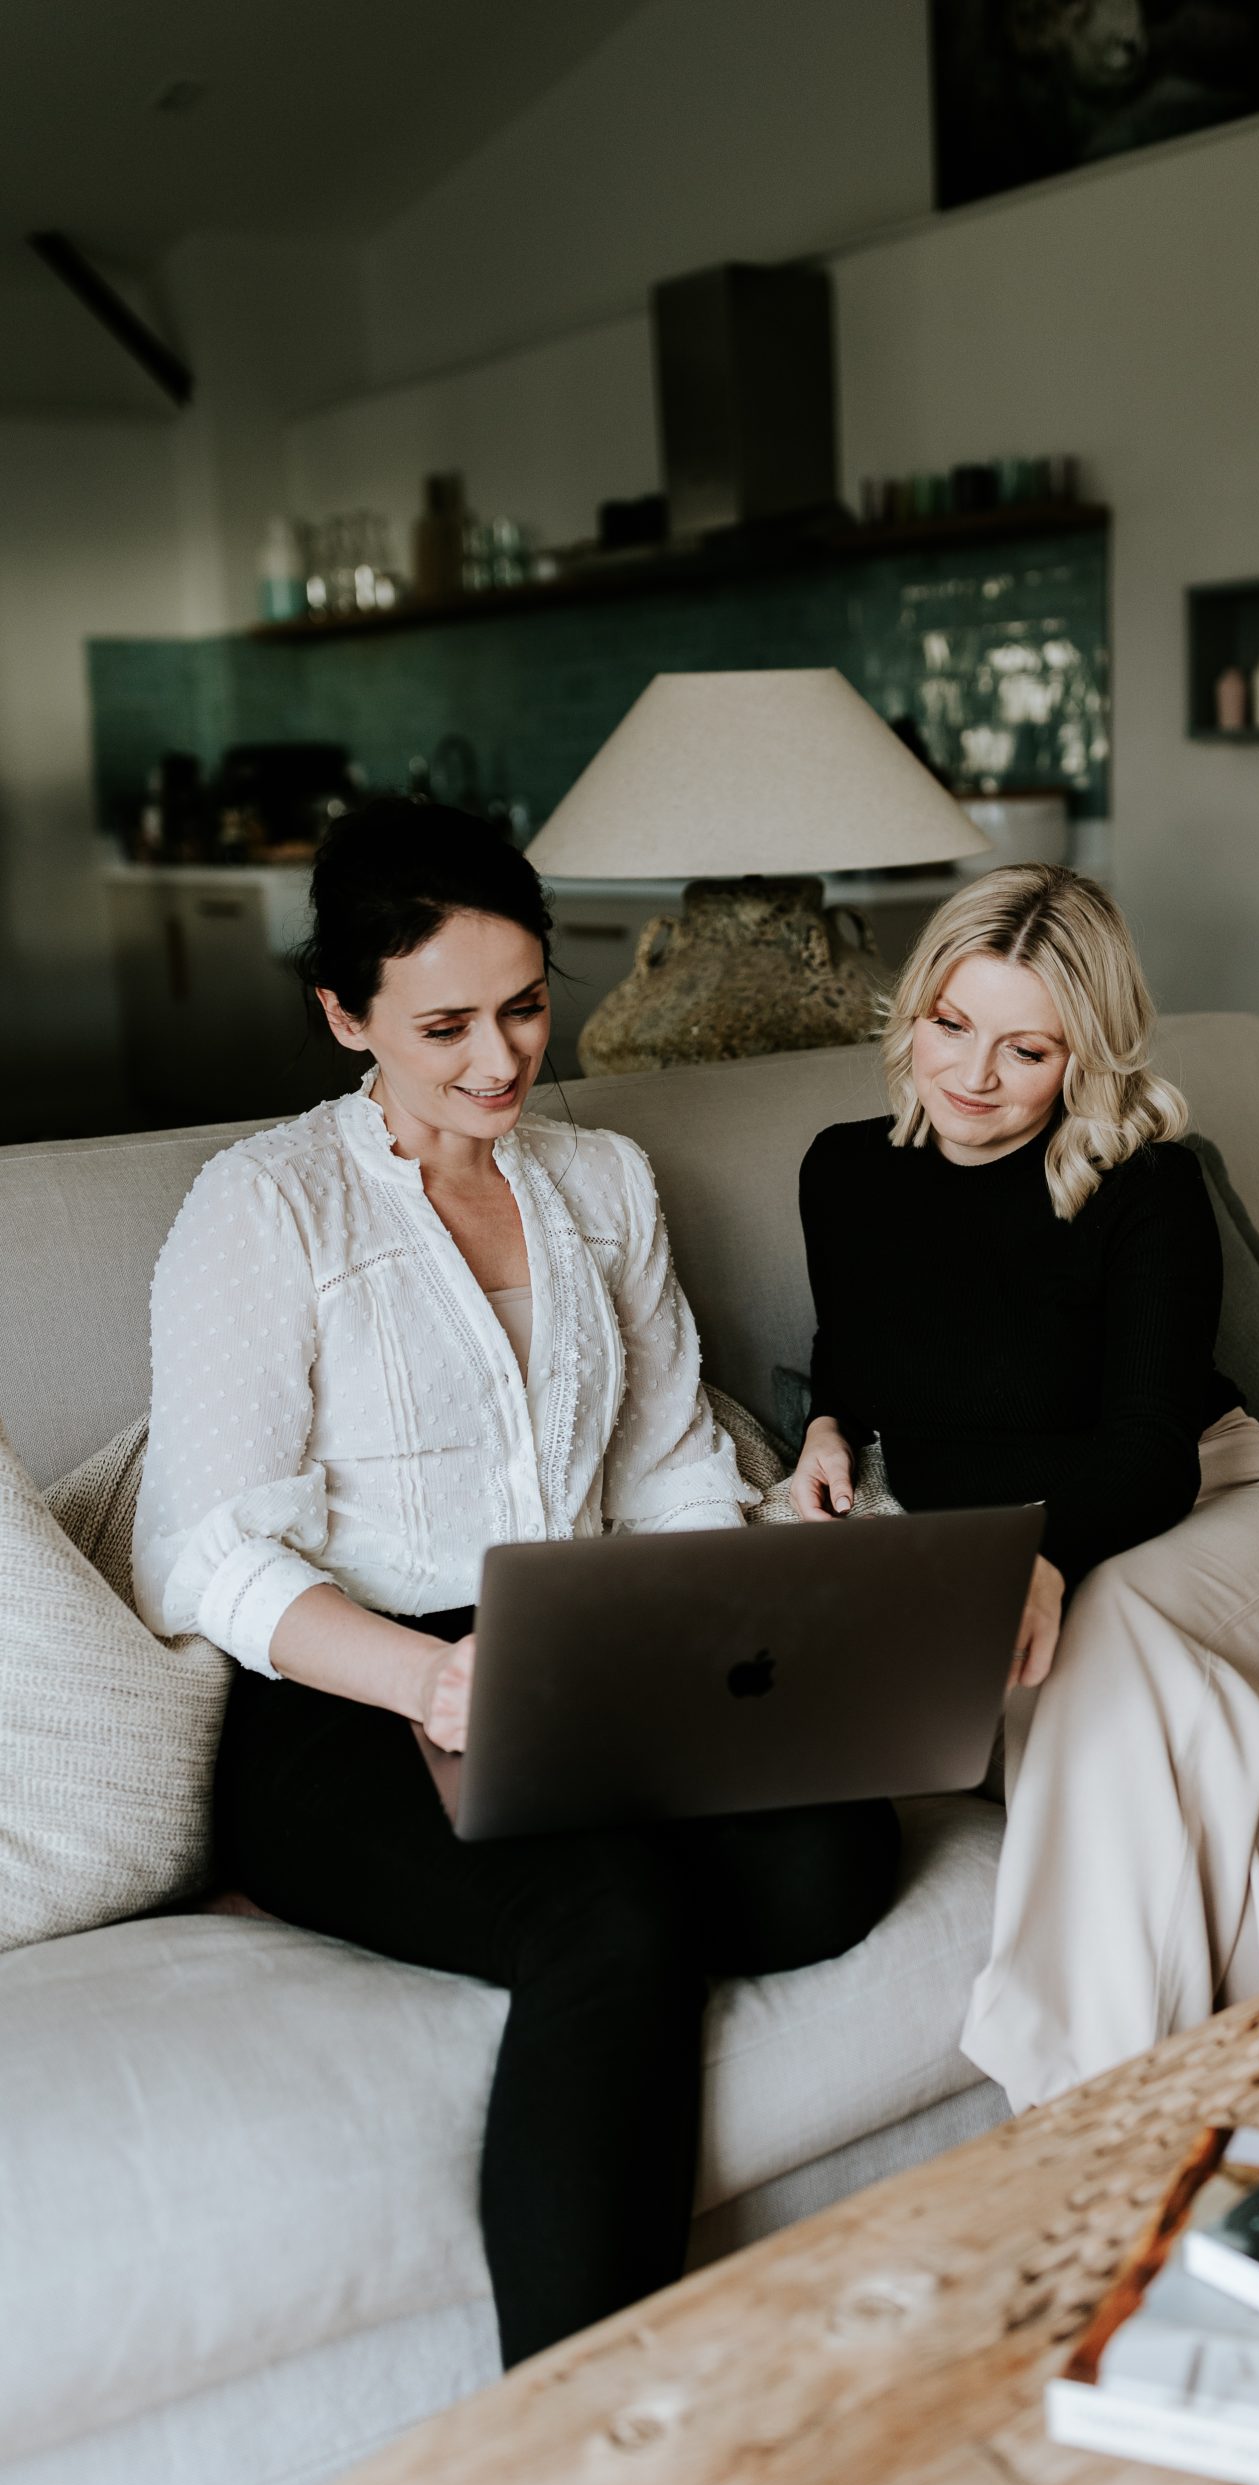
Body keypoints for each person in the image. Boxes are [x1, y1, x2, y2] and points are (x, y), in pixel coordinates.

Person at [133, 799, 899, 2365]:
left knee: (837, 1859)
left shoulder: (602, 1181)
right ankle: (584, 2431)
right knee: (607, 1919)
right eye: (446, 1024)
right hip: (345, 1695)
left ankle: (530, 1849)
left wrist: (731, 1626)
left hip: (582, 1655)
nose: (500, 1059)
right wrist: (426, 1679)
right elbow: (204, 1551)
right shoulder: (264, 1204)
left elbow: (676, 1466)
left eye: (527, 1006)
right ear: (346, 1016)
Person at [789, 864, 1259, 2112]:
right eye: (950, 1026)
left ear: (1087, 1057)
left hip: (1253, 1527)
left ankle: (1085, 2121)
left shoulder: (1146, 1185)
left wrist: (1038, 1557)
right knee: (1183, 1759)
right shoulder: (844, 1172)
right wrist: (823, 1426)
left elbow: (1147, 1455)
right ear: (913, 1012)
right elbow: (859, 1353)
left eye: (1026, 1049)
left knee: (1093, 1636)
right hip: (1052, 1565)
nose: (970, 1076)